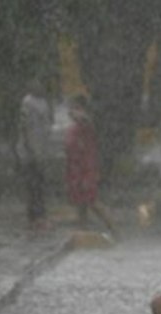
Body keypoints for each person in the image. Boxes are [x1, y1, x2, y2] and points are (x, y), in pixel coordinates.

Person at [63, 94, 116, 236]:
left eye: (74, 108)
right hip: (75, 170)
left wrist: (87, 175)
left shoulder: (85, 125)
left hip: (85, 169)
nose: (71, 111)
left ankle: (113, 229)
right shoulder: (74, 128)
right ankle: (83, 230)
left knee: (92, 201)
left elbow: (88, 151)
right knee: (80, 203)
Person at [16, 79, 52, 231]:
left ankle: (38, 216)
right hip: (32, 152)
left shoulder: (42, 102)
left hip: (40, 150)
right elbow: (26, 128)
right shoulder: (28, 102)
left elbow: (45, 127)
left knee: (38, 185)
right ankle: (36, 217)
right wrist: (31, 151)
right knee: (34, 185)